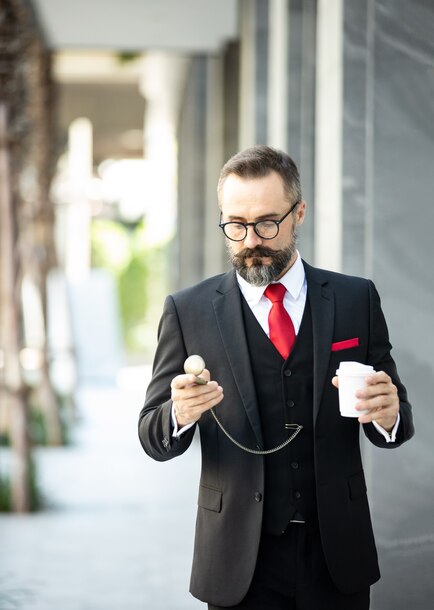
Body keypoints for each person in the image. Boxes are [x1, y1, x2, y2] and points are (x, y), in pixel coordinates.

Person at [138, 145, 414, 610]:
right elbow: (152, 435)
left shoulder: (355, 300)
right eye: (236, 225)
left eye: (267, 223)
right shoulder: (187, 311)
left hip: (337, 556)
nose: (250, 240)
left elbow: (395, 424)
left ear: (298, 212)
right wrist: (179, 414)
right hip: (236, 560)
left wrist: (387, 416)